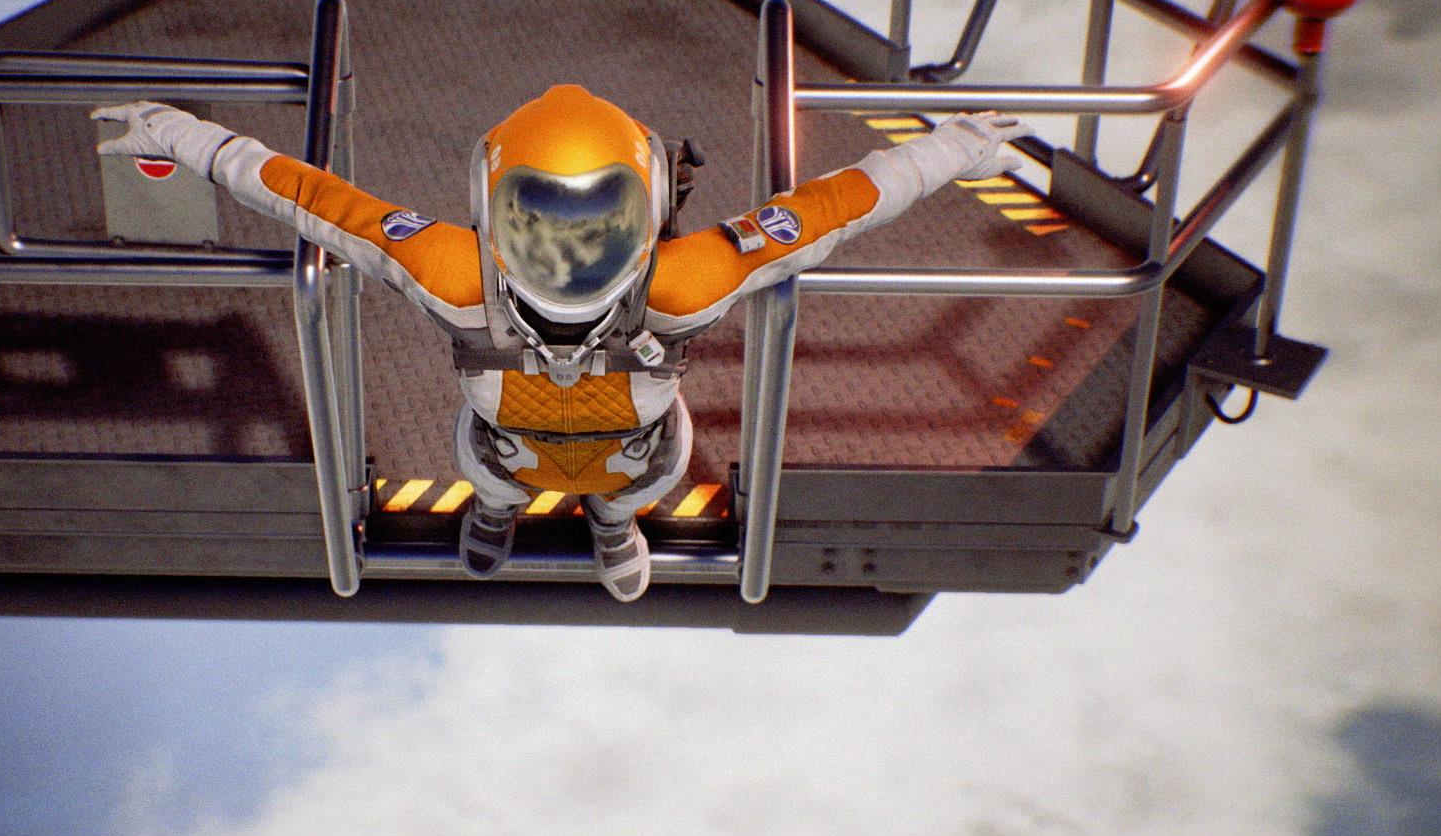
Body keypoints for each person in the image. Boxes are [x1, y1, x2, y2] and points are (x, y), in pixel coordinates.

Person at [92, 86, 1029, 601]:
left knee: (627, 486)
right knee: (499, 475)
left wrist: (957, 147)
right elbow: (317, 201)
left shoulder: (677, 281)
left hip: (636, 454)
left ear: (645, 213)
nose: (570, 263)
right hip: (506, 447)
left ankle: (612, 524)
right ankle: (499, 513)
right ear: (495, 210)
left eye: (597, 230)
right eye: (540, 227)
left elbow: (836, 206)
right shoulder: (459, 273)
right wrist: (179, 134)